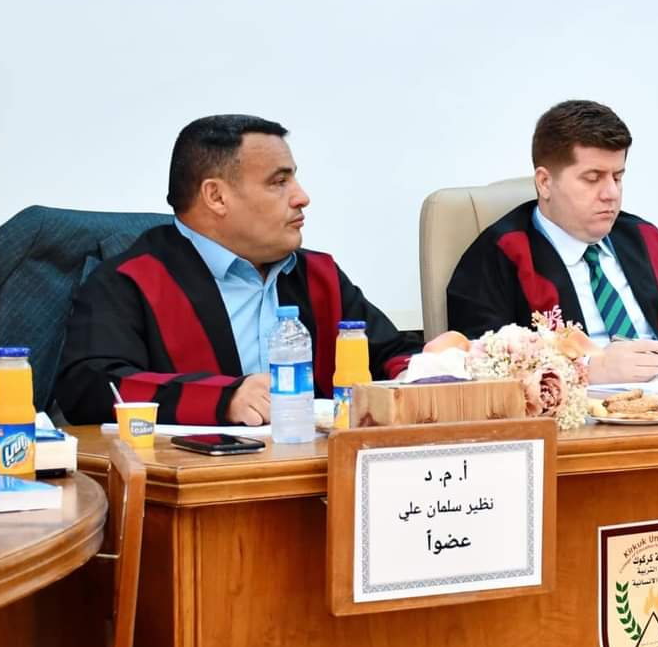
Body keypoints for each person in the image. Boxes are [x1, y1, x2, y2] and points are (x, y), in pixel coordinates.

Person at [55, 115, 419, 425]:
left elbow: (389, 352)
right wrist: (224, 399)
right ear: (216, 197)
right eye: (279, 182)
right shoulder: (134, 281)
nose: (302, 197)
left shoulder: (318, 276)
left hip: (320, 468)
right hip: (204, 478)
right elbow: (91, 387)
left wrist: (420, 371)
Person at [447, 99, 658, 383]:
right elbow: (478, 365)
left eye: (618, 177)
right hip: (578, 422)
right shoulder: (499, 254)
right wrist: (591, 369)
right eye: (592, 179)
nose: (611, 193)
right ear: (544, 182)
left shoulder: (645, 239)